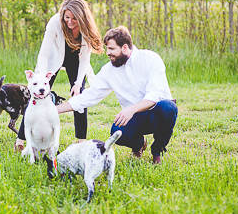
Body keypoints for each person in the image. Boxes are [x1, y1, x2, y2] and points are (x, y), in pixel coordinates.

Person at [56, 25, 178, 165]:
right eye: (107, 48)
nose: (108, 53)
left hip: (158, 112)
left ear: (125, 48)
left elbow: (155, 95)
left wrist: (131, 109)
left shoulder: (150, 59)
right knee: (117, 133)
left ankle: (157, 151)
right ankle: (139, 144)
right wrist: (55, 110)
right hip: (135, 117)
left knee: (168, 108)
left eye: (112, 49)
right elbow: (89, 96)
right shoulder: (109, 70)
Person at [15, 0, 104, 152]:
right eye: (67, 17)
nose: (70, 22)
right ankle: (20, 141)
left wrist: (77, 84)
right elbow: (43, 54)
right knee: (36, 97)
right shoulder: (55, 22)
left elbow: (84, 59)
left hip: (76, 60)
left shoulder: (87, 27)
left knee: (79, 97)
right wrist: (42, 77)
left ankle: (81, 142)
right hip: (53, 59)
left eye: (74, 18)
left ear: (82, 17)